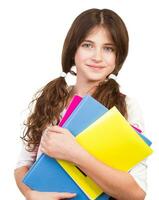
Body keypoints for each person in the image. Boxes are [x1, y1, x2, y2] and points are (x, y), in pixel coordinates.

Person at [14, 8, 148, 200]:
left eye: (108, 48)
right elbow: (23, 165)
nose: (97, 57)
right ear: (73, 50)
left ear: (118, 57)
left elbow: (136, 194)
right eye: (87, 45)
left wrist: (75, 153)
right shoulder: (51, 99)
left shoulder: (126, 106)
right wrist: (30, 194)